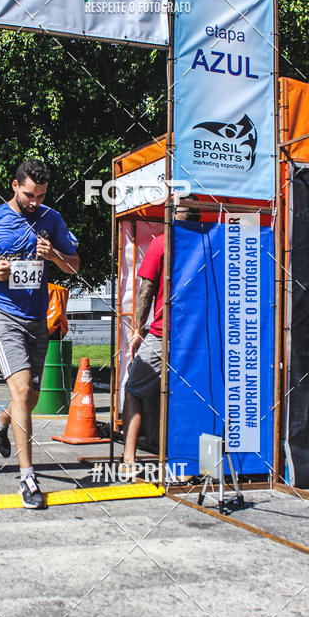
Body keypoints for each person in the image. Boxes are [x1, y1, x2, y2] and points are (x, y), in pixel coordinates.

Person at [0, 159, 80, 509]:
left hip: (36, 317)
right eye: (29, 195)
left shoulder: (52, 219)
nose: (35, 201)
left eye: (41, 195)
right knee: (22, 390)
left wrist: (54, 255)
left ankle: (0, 421)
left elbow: (74, 265)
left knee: (30, 398)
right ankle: (28, 478)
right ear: (14, 185)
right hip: (1, 313)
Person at [122, 201, 201, 471]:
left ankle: (129, 458)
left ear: (173, 216)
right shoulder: (207, 244)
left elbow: (146, 291)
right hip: (198, 336)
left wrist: (137, 329)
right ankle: (187, 457)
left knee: (133, 389)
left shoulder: (162, 244)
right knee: (188, 395)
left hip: (164, 333)